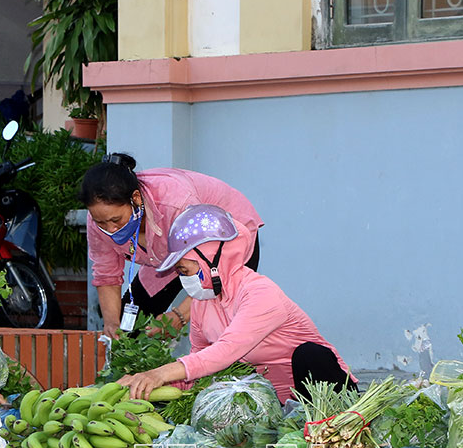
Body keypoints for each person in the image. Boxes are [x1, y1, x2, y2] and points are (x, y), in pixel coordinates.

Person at [119, 206, 355, 403]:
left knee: (310, 355)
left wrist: (160, 373)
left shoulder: (260, 293)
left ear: (209, 259)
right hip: (272, 406)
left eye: (184, 270)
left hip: (321, 396)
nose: (183, 279)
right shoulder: (202, 302)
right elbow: (200, 364)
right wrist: (145, 384)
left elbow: (226, 351)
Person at [80, 154, 263, 340]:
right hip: (169, 252)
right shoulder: (99, 220)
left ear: (135, 199)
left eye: (116, 220)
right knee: (130, 331)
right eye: (101, 222)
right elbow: (107, 274)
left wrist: (179, 316)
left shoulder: (176, 205)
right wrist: (112, 323)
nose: (110, 229)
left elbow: (213, 272)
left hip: (226, 243)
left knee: (217, 326)